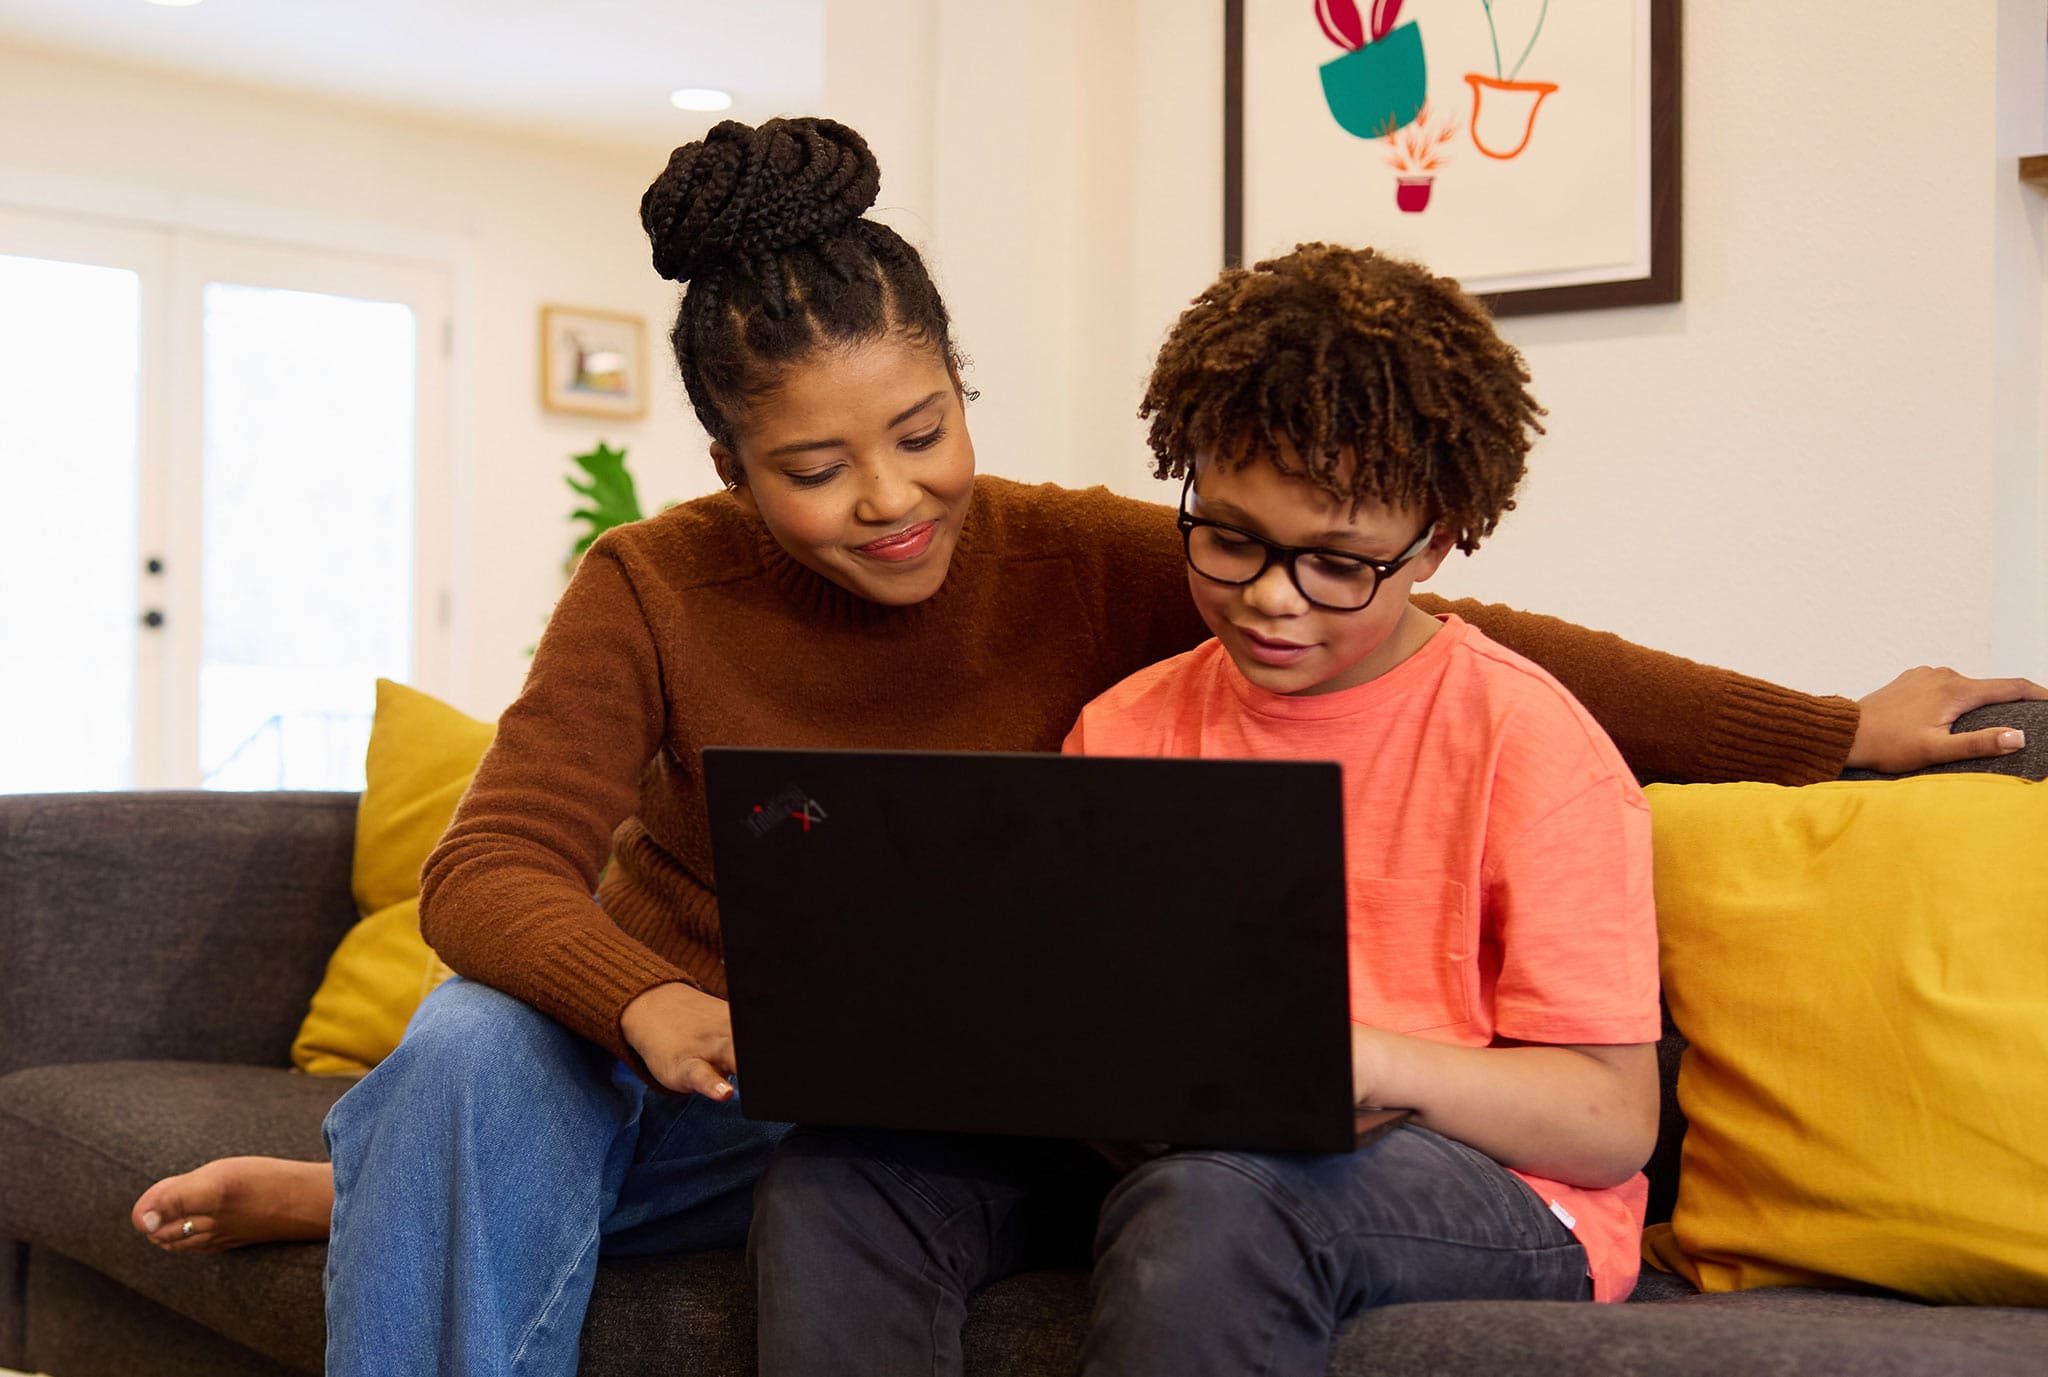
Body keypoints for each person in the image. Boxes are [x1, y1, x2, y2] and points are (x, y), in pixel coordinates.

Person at [125, 118, 2042, 1376]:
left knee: (921, 1157)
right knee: (477, 1056)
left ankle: (390, 1184)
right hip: (692, 1070)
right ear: (730, 471)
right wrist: (646, 1005)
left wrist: (1829, 732)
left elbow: (1474, 647)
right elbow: (490, 872)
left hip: (996, 1093)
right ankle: (426, 1173)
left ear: (966, 388)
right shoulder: (663, 585)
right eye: (813, 469)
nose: (890, 501)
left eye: (922, 430)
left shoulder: (1111, 560)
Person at [748, 241, 1659, 1375]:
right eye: (1227, 539)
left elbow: (1610, 1122)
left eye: (1335, 562)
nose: (1270, 598)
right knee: (841, 1174)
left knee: (1217, 1199)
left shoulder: (1527, 742)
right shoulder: (1126, 723)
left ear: (1433, 540)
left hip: (1483, 1186)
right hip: (1168, 1154)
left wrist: (1362, 1061)